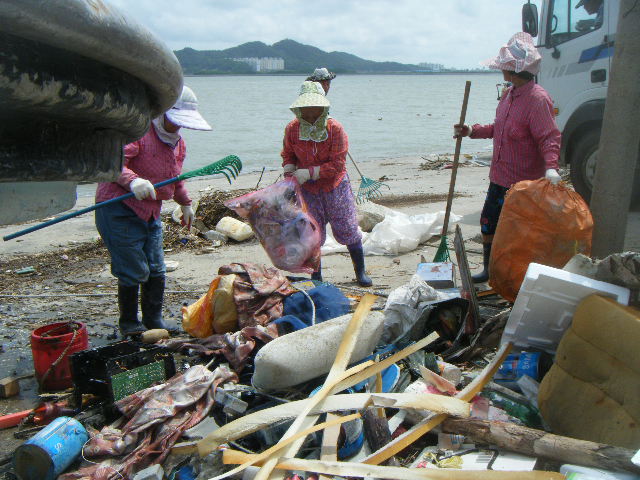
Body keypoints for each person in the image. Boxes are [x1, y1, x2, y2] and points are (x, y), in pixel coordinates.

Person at [95, 85, 212, 336]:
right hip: (118, 208)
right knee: (134, 268)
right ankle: (129, 323)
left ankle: (153, 319)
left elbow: (174, 177)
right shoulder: (139, 132)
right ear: (163, 112)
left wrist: (185, 203)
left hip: (151, 211)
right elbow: (111, 161)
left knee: (156, 267)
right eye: (174, 120)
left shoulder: (178, 144)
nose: (177, 126)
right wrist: (132, 181)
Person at [454, 32, 562, 283]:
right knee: (488, 223)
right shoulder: (508, 94)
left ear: (513, 70)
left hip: (523, 184)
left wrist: (552, 168)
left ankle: (517, 275)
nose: (499, 69)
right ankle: (490, 268)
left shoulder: (538, 99)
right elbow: (498, 128)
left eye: (503, 66)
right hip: (499, 176)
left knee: (520, 233)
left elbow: (549, 137)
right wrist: (472, 131)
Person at [281, 81, 372, 287]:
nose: (311, 115)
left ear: (323, 108)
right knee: (312, 234)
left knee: (348, 228)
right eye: (306, 111)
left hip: (335, 187)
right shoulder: (292, 129)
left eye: (315, 111)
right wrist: (289, 172)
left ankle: (360, 272)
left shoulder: (335, 129)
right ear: (299, 109)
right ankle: (317, 277)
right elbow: (288, 154)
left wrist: (310, 172)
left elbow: (338, 165)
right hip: (308, 191)